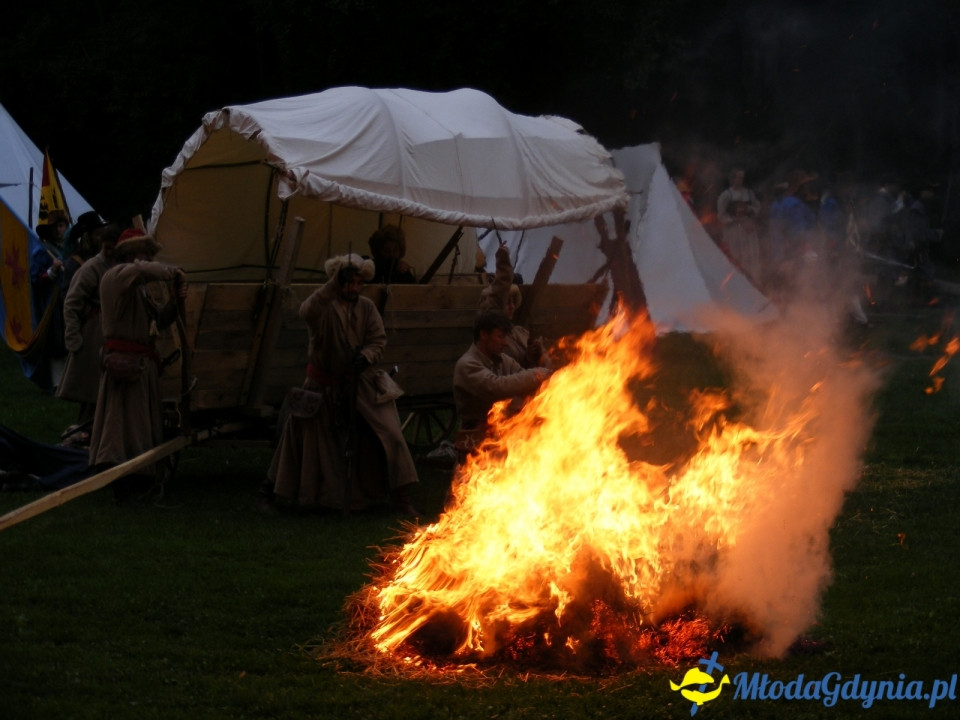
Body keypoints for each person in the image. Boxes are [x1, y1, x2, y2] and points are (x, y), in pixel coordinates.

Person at [262, 253, 419, 515]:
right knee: (298, 438)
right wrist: (334, 284)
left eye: (358, 283)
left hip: (360, 382)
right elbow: (306, 311)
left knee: (389, 433)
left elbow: (377, 340)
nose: (354, 288)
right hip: (321, 385)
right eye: (349, 283)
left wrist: (366, 356)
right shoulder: (323, 306)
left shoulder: (367, 307)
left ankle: (401, 496)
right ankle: (269, 492)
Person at [87, 229, 187, 501]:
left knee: (138, 426)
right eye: (144, 254)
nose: (146, 259)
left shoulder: (139, 289)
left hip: (141, 365)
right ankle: (123, 480)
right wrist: (170, 272)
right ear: (131, 255)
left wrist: (175, 302)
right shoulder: (115, 277)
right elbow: (144, 270)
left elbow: (159, 322)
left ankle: (139, 476)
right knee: (121, 428)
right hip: (126, 365)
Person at [452, 311, 550, 454]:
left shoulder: (503, 360)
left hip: (504, 433)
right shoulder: (467, 364)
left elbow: (523, 381)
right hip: (477, 442)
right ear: (484, 335)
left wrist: (543, 361)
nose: (505, 343)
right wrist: (540, 373)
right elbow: (498, 386)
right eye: (501, 337)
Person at [57, 222, 121, 434]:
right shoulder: (92, 268)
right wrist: (74, 339)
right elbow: (71, 303)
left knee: (107, 392)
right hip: (94, 336)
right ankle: (82, 437)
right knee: (91, 394)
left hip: (112, 333)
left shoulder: (118, 265)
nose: (110, 251)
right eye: (107, 246)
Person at [478, 244, 545, 368]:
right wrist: (503, 261)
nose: (512, 306)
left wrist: (536, 355)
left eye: (514, 302)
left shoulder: (521, 332)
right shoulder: (493, 339)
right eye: (507, 302)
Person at [717, 167, 763, 285]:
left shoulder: (748, 193)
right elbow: (721, 215)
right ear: (733, 178)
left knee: (751, 256)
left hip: (747, 229)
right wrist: (732, 219)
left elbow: (757, 207)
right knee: (736, 256)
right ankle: (737, 283)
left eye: (742, 178)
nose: (740, 180)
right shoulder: (726, 195)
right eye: (738, 177)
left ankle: (754, 282)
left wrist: (748, 209)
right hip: (733, 231)